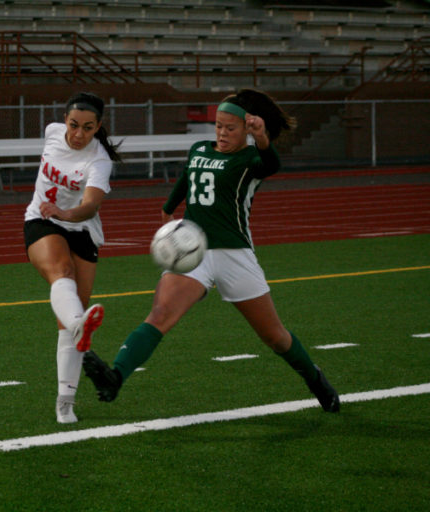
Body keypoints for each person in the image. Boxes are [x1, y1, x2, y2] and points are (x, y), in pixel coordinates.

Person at [82, 89, 341, 415]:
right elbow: (186, 181)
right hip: (194, 251)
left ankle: (315, 378)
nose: (221, 133)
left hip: (235, 255)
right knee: (160, 315)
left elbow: (272, 164)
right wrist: (167, 212)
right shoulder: (200, 149)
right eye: (218, 126)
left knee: (275, 337)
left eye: (230, 128)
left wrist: (262, 138)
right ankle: (115, 377)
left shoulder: (250, 159)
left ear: (247, 130)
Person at [23, 92, 122, 424]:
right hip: (41, 220)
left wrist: (66, 212)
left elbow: (90, 206)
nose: (78, 134)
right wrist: (54, 214)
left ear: (99, 127)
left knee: (67, 325)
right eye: (74, 125)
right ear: (64, 120)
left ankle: (65, 402)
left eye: (88, 128)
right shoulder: (53, 132)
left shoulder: (100, 160)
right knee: (60, 271)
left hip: (81, 229)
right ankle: (81, 324)